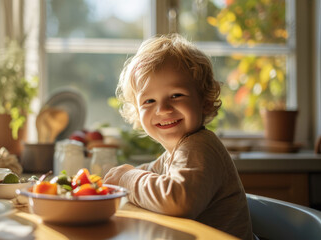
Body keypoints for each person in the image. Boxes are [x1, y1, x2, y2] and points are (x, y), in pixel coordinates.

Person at [104, 33, 254, 240]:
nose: (163, 109)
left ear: (205, 101)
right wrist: (125, 174)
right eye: (148, 101)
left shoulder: (200, 146)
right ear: (138, 113)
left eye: (176, 95)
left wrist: (127, 179)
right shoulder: (177, 151)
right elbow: (151, 171)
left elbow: (178, 201)